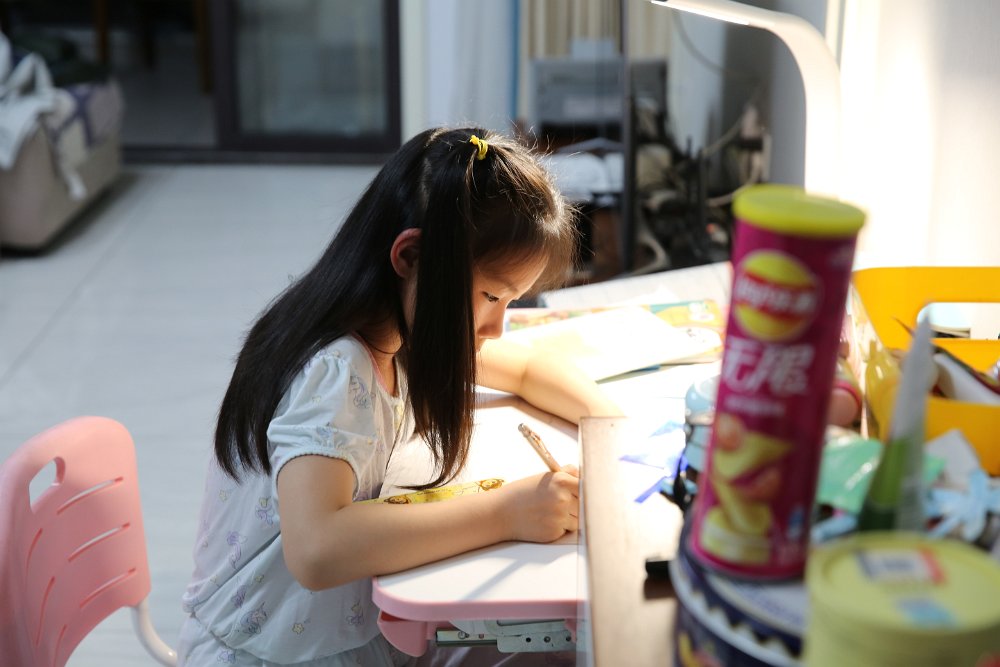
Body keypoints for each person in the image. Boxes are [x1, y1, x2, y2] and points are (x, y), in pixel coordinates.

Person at [178, 126, 622, 666]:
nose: (496, 327)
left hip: (329, 633)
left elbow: (527, 368)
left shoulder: (401, 327)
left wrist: (612, 430)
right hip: (268, 655)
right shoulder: (336, 368)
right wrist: (509, 511)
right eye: (491, 296)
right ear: (410, 257)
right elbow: (316, 549)